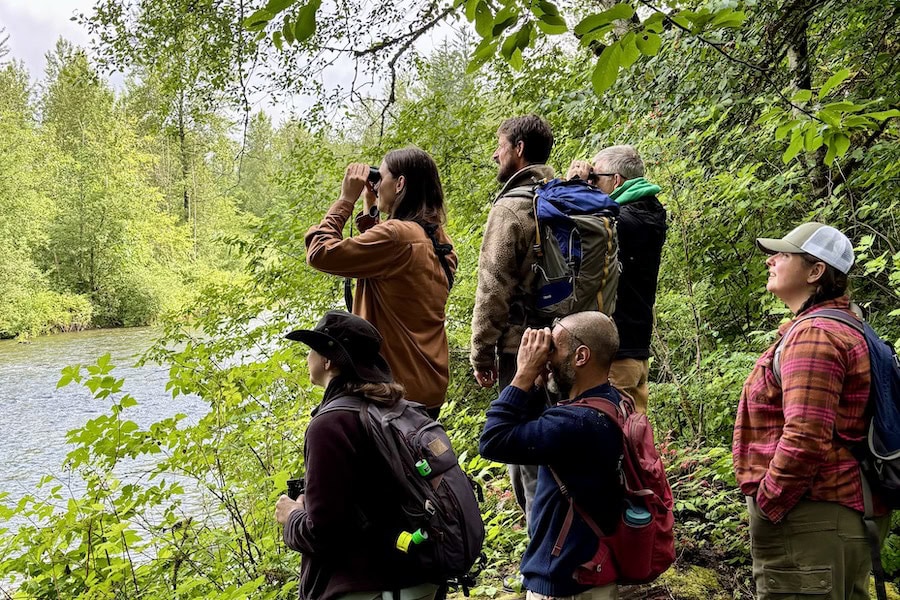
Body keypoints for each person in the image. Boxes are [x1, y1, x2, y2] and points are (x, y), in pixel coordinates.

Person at [732, 222, 890, 599]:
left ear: (815, 271)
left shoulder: (815, 334)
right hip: (839, 513)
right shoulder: (848, 325)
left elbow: (805, 435)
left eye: (783, 254)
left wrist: (770, 502)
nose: (770, 260)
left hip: (813, 516)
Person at [275, 310, 440, 600]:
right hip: (422, 577)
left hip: (367, 587)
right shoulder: (399, 409)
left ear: (328, 360)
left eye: (311, 351)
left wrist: (292, 516)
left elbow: (322, 533)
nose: (307, 359)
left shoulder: (330, 425)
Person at [479, 312, 624, 600]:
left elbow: (492, 440)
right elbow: (546, 429)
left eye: (554, 349)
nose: (545, 355)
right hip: (595, 566)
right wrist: (539, 384)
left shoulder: (576, 423)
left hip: (563, 579)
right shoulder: (613, 403)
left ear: (581, 356)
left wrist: (522, 374)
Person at [305, 147, 457, 417]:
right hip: (428, 387)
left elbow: (320, 253)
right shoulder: (439, 241)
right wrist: (371, 207)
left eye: (382, 176)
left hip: (392, 393)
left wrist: (345, 200)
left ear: (400, 184)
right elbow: (389, 268)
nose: (377, 183)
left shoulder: (397, 236)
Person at [566, 145, 666, 412]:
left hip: (617, 354)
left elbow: (570, 228)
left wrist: (576, 187)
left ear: (616, 180)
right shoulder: (649, 212)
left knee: (616, 442)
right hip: (633, 347)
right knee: (634, 439)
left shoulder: (622, 222)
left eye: (595, 178)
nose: (592, 183)